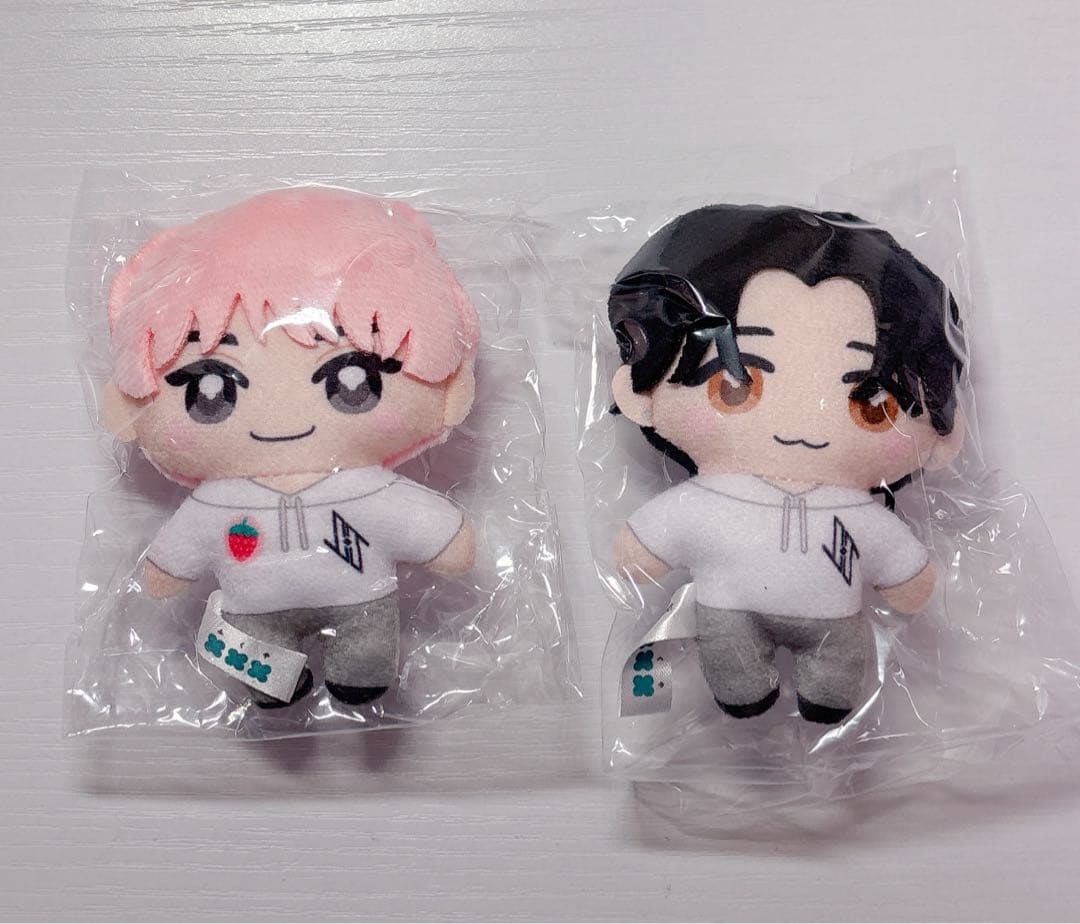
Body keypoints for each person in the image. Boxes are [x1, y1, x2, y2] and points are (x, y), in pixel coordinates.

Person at [103, 186, 479, 708]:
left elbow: (418, 524)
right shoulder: (219, 503)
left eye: (352, 379)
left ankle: (360, 671)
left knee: (366, 653)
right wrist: (167, 569)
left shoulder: (364, 489)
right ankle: (274, 682)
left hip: (361, 602)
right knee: (263, 668)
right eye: (211, 389)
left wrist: (444, 540)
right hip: (255, 613)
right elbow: (179, 551)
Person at [609, 206, 965, 723]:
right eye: (737, 386)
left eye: (870, 406)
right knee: (732, 658)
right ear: (643, 392)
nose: (803, 425)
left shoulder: (853, 511)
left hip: (834, 622)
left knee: (836, 663)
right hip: (729, 614)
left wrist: (909, 580)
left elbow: (896, 562)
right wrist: (641, 551)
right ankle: (744, 692)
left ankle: (825, 696)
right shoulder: (710, 500)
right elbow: (653, 541)